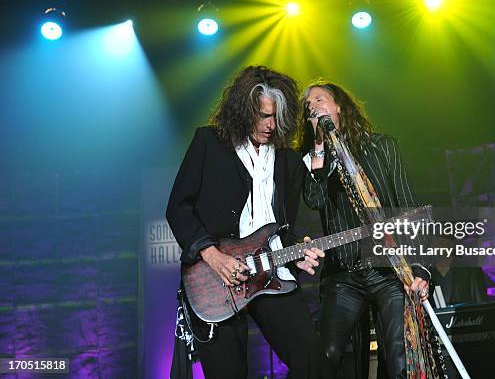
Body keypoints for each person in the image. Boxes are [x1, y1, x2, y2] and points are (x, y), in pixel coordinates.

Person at [166, 66, 326, 379]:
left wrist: (301, 251)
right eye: (263, 116)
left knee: (312, 362)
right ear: (242, 111)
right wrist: (212, 256)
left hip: (272, 274)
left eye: (275, 117)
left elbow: (289, 224)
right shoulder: (209, 143)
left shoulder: (287, 160)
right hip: (216, 279)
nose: (270, 125)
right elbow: (178, 207)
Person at [299, 81, 431, 379]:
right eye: (309, 107)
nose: (314, 107)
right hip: (343, 276)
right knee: (326, 356)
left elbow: (410, 208)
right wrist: (319, 146)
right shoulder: (314, 161)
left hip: (388, 272)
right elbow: (315, 199)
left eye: (320, 100)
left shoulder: (382, 146)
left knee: (399, 357)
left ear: (339, 107)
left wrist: (421, 268)